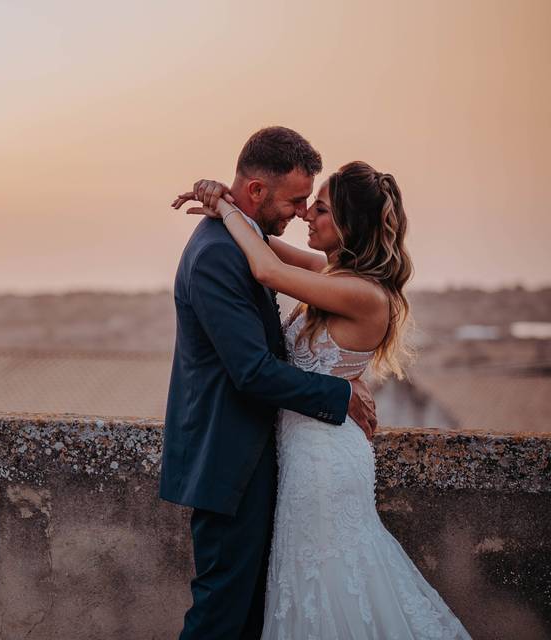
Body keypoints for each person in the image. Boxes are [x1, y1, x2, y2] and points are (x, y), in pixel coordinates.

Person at [173, 154, 472, 638]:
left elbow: (267, 270)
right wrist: (223, 199)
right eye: (307, 204)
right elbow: (262, 243)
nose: (307, 213)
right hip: (299, 454)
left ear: (350, 226)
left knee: (330, 584)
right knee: (302, 586)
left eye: (322, 209)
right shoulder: (332, 274)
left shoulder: (364, 293)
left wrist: (225, 209)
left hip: (324, 460)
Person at [159, 126, 377, 640]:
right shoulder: (217, 254)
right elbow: (252, 370)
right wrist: (340, 392)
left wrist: (226, 204)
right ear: (256, 191)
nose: (301, 212)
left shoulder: (243, 240)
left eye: (312, 205)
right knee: (220, 616)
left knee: (252, 614)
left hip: (264, 462)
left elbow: (273, 258)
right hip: (229, 463)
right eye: (298, 200)